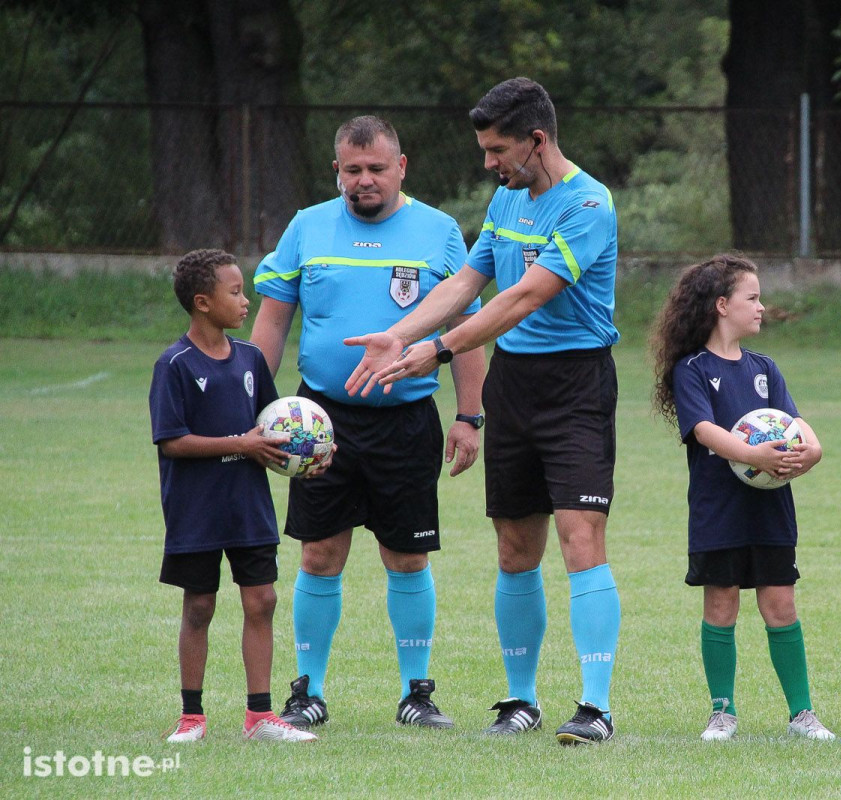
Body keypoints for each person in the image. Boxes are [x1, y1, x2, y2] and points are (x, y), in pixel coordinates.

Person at [343, 77, 622, 745]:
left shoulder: (588, 204)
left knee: (581, 539)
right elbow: (470, 282)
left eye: (498, 150)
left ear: (536, 139)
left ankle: (595, 706)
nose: (489, 163)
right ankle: (520, 701)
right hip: (514, 386)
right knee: (514, 547)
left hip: (577, 386)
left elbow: (521, 298)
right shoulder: (506, 199)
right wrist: (403, 333)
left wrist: (437, 351)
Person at [250, 115, 486, 731]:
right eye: (352, 170)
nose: (364, 181)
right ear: (337, 171)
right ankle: (308, 691)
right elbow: (273, 321)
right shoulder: (307, 226)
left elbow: (466, 334)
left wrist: (468, 416)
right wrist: (251, 404)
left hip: (407, 420)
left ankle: (417, 694)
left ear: (401, 167)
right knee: (319, 554)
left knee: (407, 557)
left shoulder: (439, 232)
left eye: (377, 168)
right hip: (318, 423)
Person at [650, 254, 835, 743]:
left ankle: (802, 714)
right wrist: (754, 452)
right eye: (752, 298)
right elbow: (705, 430)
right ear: (721, 306)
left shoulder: (765, 368)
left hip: (771, 508)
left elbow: (794, 423)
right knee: (722, 605)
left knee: (781, 606)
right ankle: (723, 712)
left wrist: (811, 449)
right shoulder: (692, 369)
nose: (761, 307)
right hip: (719, 510)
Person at [150, 248, 317, 743]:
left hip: (248, 504)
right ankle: (191, 717)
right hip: (196, 509)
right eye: (236, 291)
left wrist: (305, 456)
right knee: (199, 605)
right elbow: (172, 441)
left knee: (261, 600)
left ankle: (260, 717)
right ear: (203, 302)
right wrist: (240, 444)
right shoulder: (174, 364)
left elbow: (272, 426)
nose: (247, 301)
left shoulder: (250, 359)